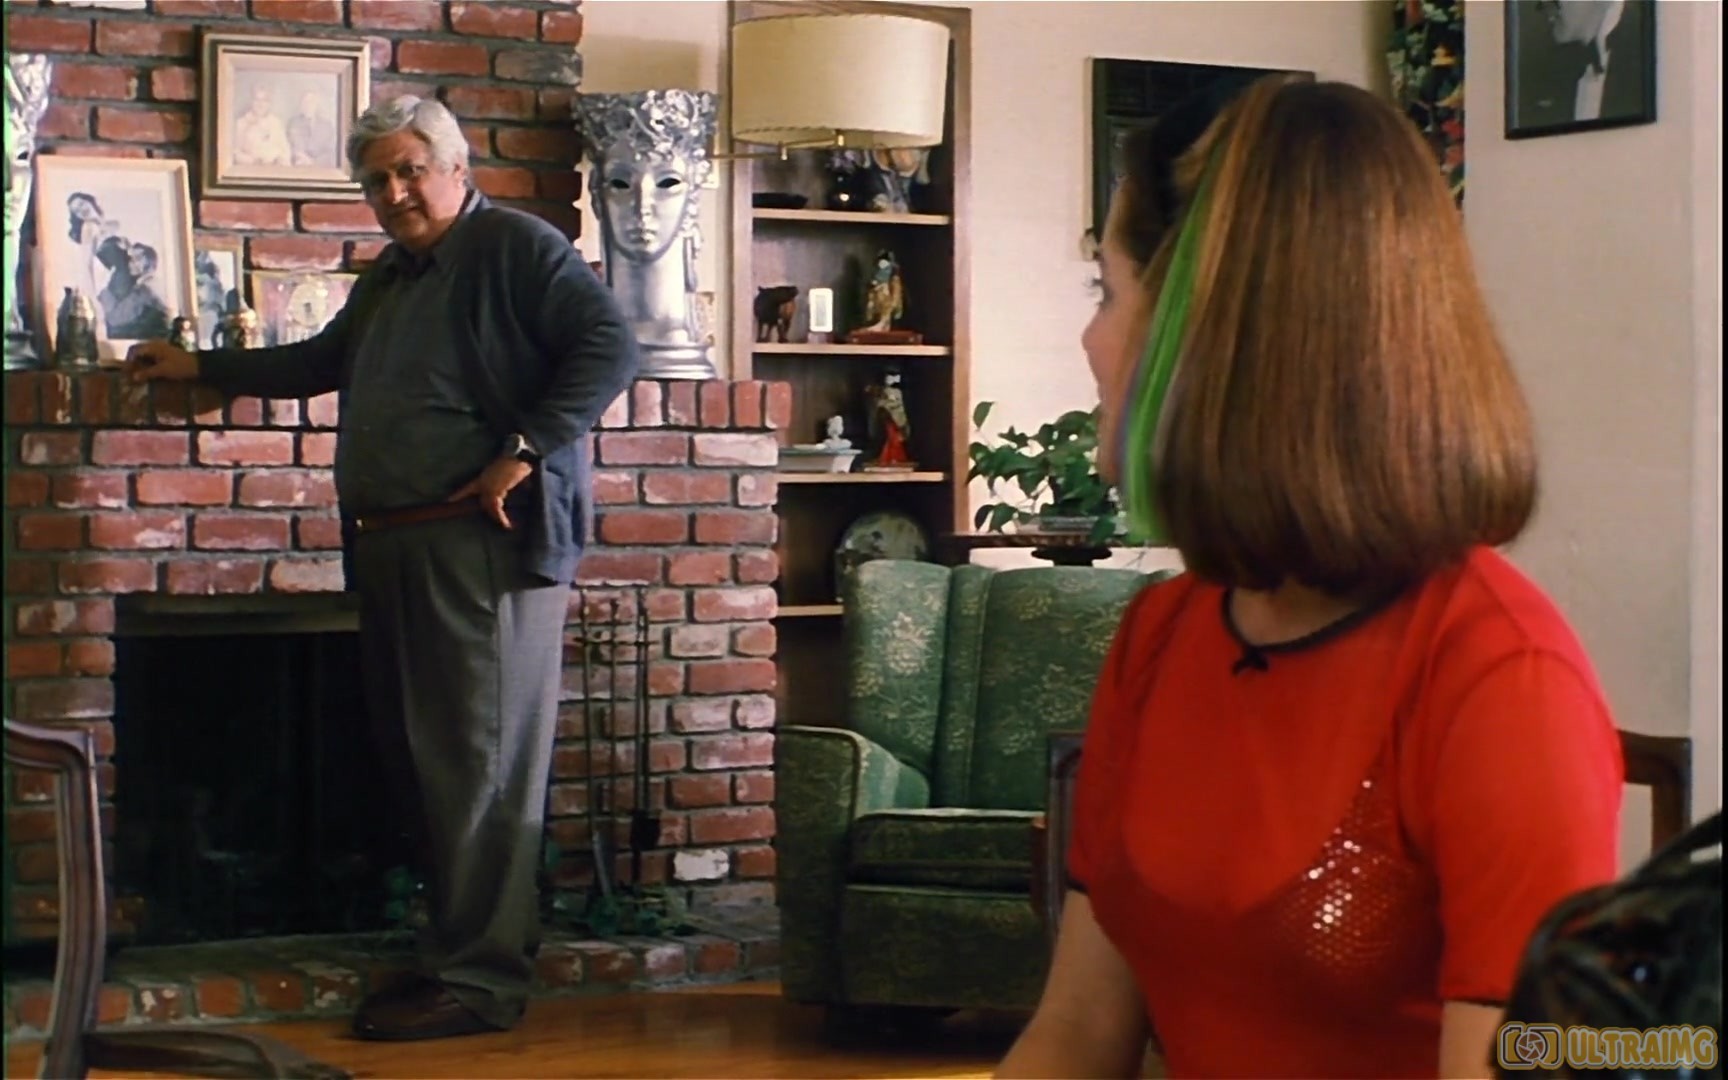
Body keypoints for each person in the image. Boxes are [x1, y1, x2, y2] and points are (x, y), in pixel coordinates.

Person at [996, 75, 1624, 1079]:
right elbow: (1075, 1033)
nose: (1089, 338)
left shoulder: (1498, 676)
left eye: (1104, 292)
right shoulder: (1162, 635)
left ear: (1213, 333)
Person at [124, 94, 640, 1042]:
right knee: (433, 766)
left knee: (482, 767)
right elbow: (321, 360)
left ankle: (481, 982)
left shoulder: (514, 246)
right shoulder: (395, 275)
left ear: (456, 168)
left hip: (480, 544)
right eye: (376, 180)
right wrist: (200, 367)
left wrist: (523, 448)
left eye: (410, 171)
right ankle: (454, 954)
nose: (394, 192)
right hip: (397, 541)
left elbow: (611, 345)